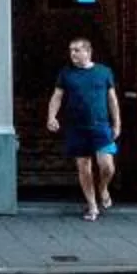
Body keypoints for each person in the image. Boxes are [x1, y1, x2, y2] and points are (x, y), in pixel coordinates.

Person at [43, 35, 121, 219]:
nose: (73, 54)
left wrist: (117, 123)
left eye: (77, 50)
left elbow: (112, 99)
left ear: (88, 51)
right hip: (76, 127)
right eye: (71, 50)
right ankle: (92, 206)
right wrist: (51, 116)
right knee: (84, 167)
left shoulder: (103, 72)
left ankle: (103, 188)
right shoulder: (66, 73)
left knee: (107, 166)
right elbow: (57, 96)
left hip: (101, 125)